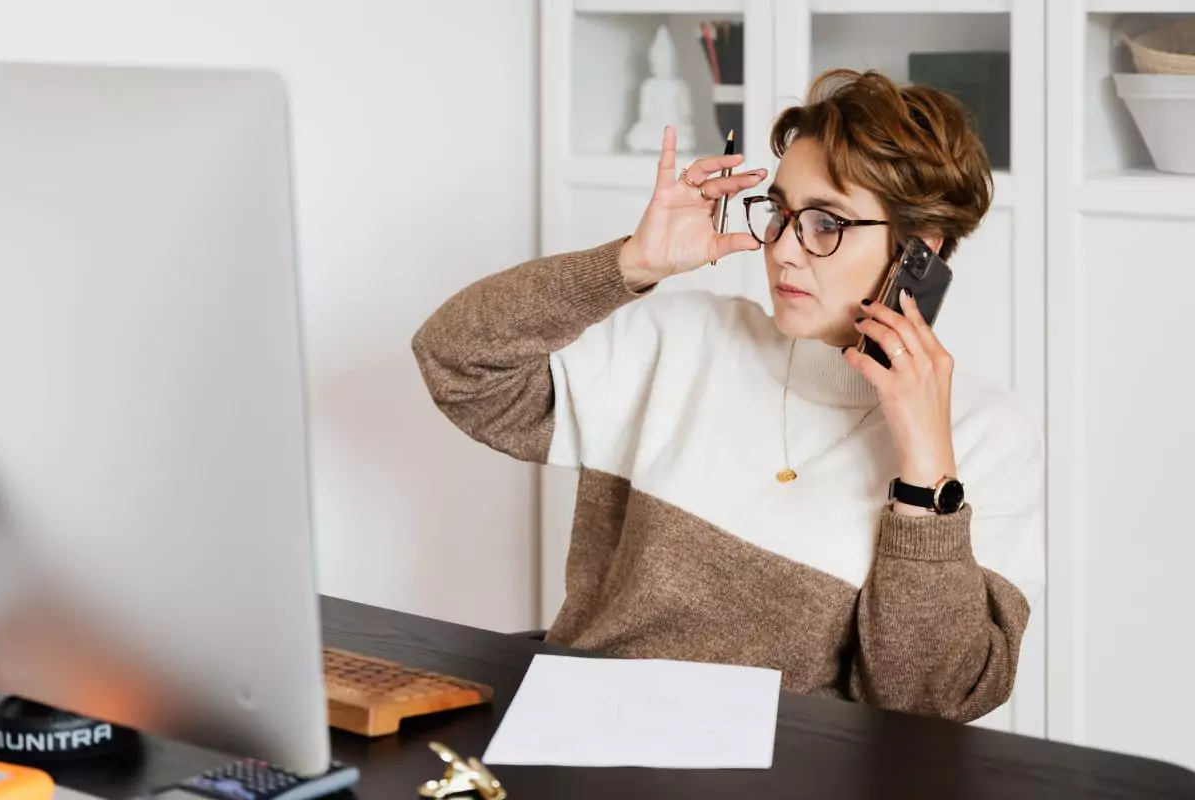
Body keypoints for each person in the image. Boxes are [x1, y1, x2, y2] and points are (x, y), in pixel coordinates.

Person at [411, 68, 1044, 723]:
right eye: (780, 213)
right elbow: (456, 363)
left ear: (920, 251)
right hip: (582, 746)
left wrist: (923, 479)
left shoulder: (986, 435)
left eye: (825, 223)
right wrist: (628, 265)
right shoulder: (685, 339)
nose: (783, 251)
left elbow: (929, 702)